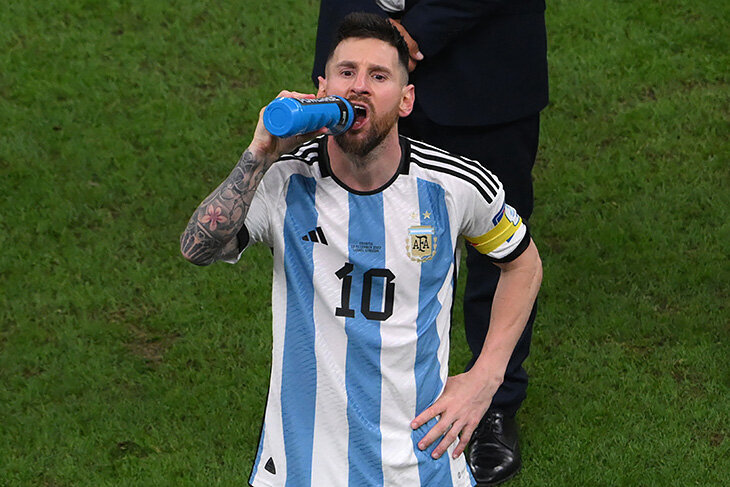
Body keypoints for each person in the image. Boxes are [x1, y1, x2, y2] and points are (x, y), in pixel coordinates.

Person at [181, 13, 541, 487]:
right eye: (346, 72)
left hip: (422, 463)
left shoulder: (454, 185)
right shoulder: (284, 182)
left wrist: (485, 377)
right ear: (322, 88)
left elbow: (523, 265)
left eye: (378, 76)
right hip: (302, 469)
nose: (359, 87)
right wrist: (259, 153)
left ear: (406, 99)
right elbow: (198, 248)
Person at [312, 2, 549, 484]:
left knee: (496, 250)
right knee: (352, 237)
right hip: (362, 34)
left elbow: (518, 265)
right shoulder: (355, 77)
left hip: (484, 59)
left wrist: (421, 28)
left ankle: (492, 404)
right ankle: (351, 400)